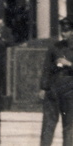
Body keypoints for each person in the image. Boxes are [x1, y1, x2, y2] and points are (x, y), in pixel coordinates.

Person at [39, 17, 73, 146]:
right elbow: (46, 68)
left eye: (66, 30)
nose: (63, 33)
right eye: (62, 30)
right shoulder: (55, 47)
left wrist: (69, 64)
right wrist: (43, 87)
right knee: (48, 123)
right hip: (53, 89)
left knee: (69, 125)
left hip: (70, 90)